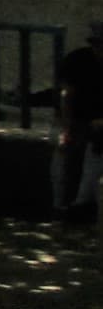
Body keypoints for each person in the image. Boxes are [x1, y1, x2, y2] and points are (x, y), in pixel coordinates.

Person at [54, 23, 103, 221]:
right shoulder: (77, 60)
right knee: (63, 151)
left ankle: (80, 203)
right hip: (77, 120)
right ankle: (60, 204)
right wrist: (66, 129)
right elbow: (67, 96)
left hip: (96, 125)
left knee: (95, 148)